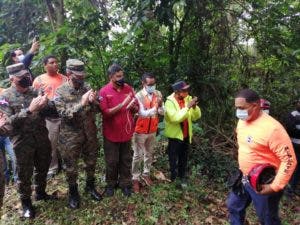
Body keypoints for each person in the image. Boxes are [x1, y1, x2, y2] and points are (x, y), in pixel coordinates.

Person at [227, 88, 297, 225]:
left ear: (255, 106)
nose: (238, 111)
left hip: (265, 181)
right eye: (236, 108)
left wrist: (275, 186)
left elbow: (289, 159)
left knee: (267, 218)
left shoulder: (272, 129)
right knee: (234, 206)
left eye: (241, 107)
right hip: (244, 177)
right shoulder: (242, 121)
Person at [0, 63, 54, 218]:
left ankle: (41, 192)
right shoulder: (5, 97)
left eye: (27, 75)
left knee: (43, 166)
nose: (26, 78)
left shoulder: (36, 91)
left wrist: (46, 103)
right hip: (22, 141)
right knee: (24, 173)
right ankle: (26, 203)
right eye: (21, 77)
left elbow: (51, 111)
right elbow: (7, 123)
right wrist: (29, 110)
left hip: (41, 137)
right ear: (11, 78)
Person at [54, 59, 102, 209]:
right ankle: (73, 192)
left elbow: (98, 110)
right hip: (70, 135)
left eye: (82, 75)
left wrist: (94, 102)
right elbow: (63, 113)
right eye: (77, 76)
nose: (81, 79)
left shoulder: (87, 87)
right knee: (71, 166)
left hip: (89, 132)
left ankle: (90, 186)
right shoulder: (60, 91)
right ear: (68, 74)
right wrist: (81, 103)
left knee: (91, 160)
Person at [99, 63, 139, 197]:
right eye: (118, 76)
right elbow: (105, 113)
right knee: (112, 160)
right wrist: (121, 105)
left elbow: (137, 107)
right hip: (111, 133)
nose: (121, 78)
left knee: (126, 159)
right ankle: (111, 184)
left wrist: (133, 107)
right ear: (111, 77)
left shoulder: (128, 89)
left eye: (122, 75)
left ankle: (125, 184)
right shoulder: (104, 91)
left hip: (126, 132)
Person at [33, 55, 68, 178]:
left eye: (56, 62)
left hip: (64, 115)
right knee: (51, 144)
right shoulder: (39, 80)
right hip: (49, 117)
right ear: (45, 66)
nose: (55, 64)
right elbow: (35, 98)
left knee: (65, 143)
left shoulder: (64, 78)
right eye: (52, 62)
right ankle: (53, 168)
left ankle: (65, 164)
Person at [164, 81, 201, 187]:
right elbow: (175, 118)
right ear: (177, 92)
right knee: (173, 159)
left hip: (186, 134)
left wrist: (194, 108)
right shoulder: (169, 102)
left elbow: (196, 117)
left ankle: (182, 177)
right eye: (184, 91)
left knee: (183, 158)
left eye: (187, 90)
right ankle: (174, 179)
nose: (187, 92)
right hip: (175, 136)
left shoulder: (187, 99)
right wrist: (188, 107)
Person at [131, 72, 164, 193]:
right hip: (140, 130)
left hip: (152, 130)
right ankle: (135, 178)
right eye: (150, 84)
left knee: (149, 154)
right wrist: (157, 108)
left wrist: (160, 106)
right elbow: (143, 113)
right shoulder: (138, 96)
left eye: (154, 84)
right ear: (143, 83)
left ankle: (146, 174)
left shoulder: (158, 94)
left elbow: (162, 112)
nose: (152, 86)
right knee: (137, 155)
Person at [284, 99, 300, 196]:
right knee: (293, 166)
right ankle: (288, 190)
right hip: (294, 145)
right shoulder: (292, 114)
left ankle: (292, 189)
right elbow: (290, 130)